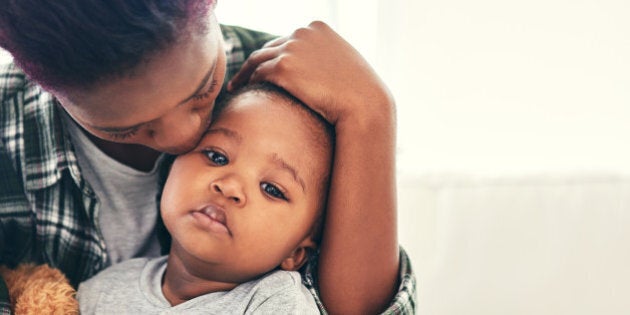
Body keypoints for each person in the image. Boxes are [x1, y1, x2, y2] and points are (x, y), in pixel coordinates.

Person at [0, 1, 415, 313]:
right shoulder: (9, 129)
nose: (187, 138)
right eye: (126, 128)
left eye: (204, 90)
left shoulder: (296, 97)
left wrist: (371, 112)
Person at [78, 83, 332, 314]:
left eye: (271, 189)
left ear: (296, 253)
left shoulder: (276, 303)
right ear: (170, 167)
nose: (230, 186)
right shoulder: (104, 288)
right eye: (217, 157)